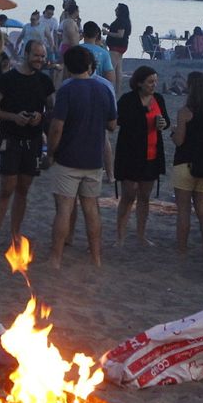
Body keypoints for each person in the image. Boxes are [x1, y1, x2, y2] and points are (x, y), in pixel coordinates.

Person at [46, 46, 117, 269]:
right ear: (89, 65)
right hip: (93, 159)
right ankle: (96, 257)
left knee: (64, 209)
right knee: (91, 209)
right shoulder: (104, 89)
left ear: (68, 67)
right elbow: (112, 125)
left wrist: (51, 152)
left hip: (68, 158)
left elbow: (57, 127)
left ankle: (56, 258)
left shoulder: (67, 90)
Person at [0, 39, 55, 246]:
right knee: (7, 187)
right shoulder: (8, 79)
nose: (40, 59)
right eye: (36, 55)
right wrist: (14, 117)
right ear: (26, 53)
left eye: (43, 56)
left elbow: (53, 110)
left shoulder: (45, 81)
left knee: (23, 188)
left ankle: (15, 234)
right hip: (11, 138)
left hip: (33, 140)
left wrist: (41, 117)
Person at [113, 65, 170, 246]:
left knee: (145, 196)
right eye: (150, 82)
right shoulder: (128, 99)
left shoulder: (158, 99)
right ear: (139, 83)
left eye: (155, 81)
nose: (154, 85)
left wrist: (162, 124)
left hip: (151, 154)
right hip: (130, 154)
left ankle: (141, 235)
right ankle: (120, 236)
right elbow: (119, 121)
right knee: (128, 195)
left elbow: (166, 121)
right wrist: (143, 117)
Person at [170, 71, 203, 257]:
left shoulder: (185, 112)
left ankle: (182, 250)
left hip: (185, 163)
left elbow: (180, 141)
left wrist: (173, 132)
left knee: (183, 211)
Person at [105, 3, 132, 83]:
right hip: (122, 46)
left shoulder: (121, 21)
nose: (115, 10)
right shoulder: (125, 21)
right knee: (118, 68)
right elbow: (120, 31)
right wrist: (110, 28)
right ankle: (118, 88)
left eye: (117, 9)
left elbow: (120, 34)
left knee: (111, 68)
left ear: (121, 11)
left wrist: (107, 33)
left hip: (116, 46)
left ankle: (111, 86)